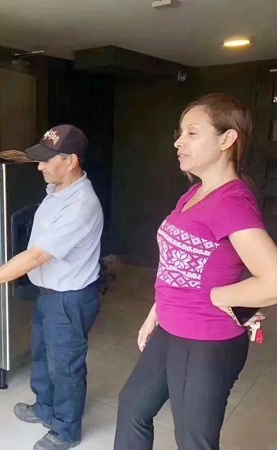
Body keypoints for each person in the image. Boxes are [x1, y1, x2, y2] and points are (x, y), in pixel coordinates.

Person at [114, 93, 277, 450]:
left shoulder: (231, 202)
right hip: (173, 327)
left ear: (227, 139)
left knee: (193, 440)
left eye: (192, 133)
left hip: (206, 340)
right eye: (180, 133)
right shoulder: (194, 194)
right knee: (132, 407)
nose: (178, 142)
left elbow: (273, 280)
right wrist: (156, 312)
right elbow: (177, 264)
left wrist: (220, 295)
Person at [0, 124, 104, 450]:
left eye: (47, 160)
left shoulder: (80, 205)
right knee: (43, 355)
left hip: (70, 299)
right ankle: (45, 407)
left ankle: (66, 430)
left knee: (65, 367)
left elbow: (36, 256)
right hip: (50, 294)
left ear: (71, 161)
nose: (39, 167)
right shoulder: (57, 190)